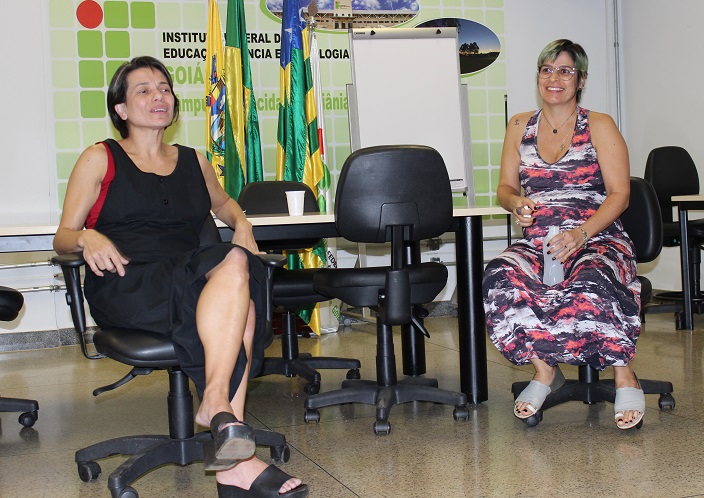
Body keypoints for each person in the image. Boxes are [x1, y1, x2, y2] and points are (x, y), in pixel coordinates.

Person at [54, 56, 308, 497]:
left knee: (238, 285)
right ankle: (226, 434)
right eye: (144, 90)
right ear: (122, 109)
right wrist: (86, 237)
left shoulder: (195, 160)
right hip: (128, 282)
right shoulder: (101, 158)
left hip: (187, 276)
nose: (159, 97)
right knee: (238, 291)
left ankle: (225, 435)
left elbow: (226, 205)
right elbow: (62, 237)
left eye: (165, 88)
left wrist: (243, 224)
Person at [482, 40, 644, 430]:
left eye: (565, 71)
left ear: (581, 79)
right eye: (546, 69)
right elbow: (503, 188)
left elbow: (621, 195)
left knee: (593, 278)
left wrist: (582, 234)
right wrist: (516, 202)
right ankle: (544, 370)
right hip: (538, 240)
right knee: (499, 276)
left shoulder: (599, 125)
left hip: (596, 237)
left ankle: (624, 375)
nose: (554, 78)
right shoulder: (520, 125)